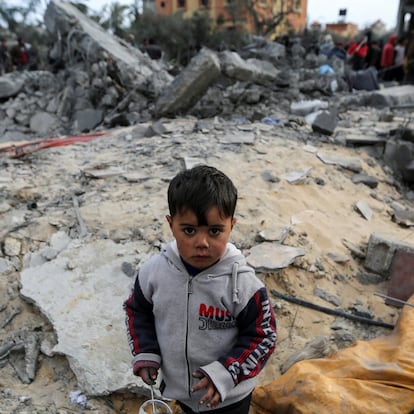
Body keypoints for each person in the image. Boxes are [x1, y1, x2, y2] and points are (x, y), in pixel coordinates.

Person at [124, 165, 277, 414]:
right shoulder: (153, 273)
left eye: (215, 231)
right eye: (189, 230)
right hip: (180, 391)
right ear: (171, 224)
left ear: (232, 225)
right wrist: (146, 352)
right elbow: (137, 311)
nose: (202, 243)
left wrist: (226, 373)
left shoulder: (244, 285)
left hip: (228, 398)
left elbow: (263, 337)